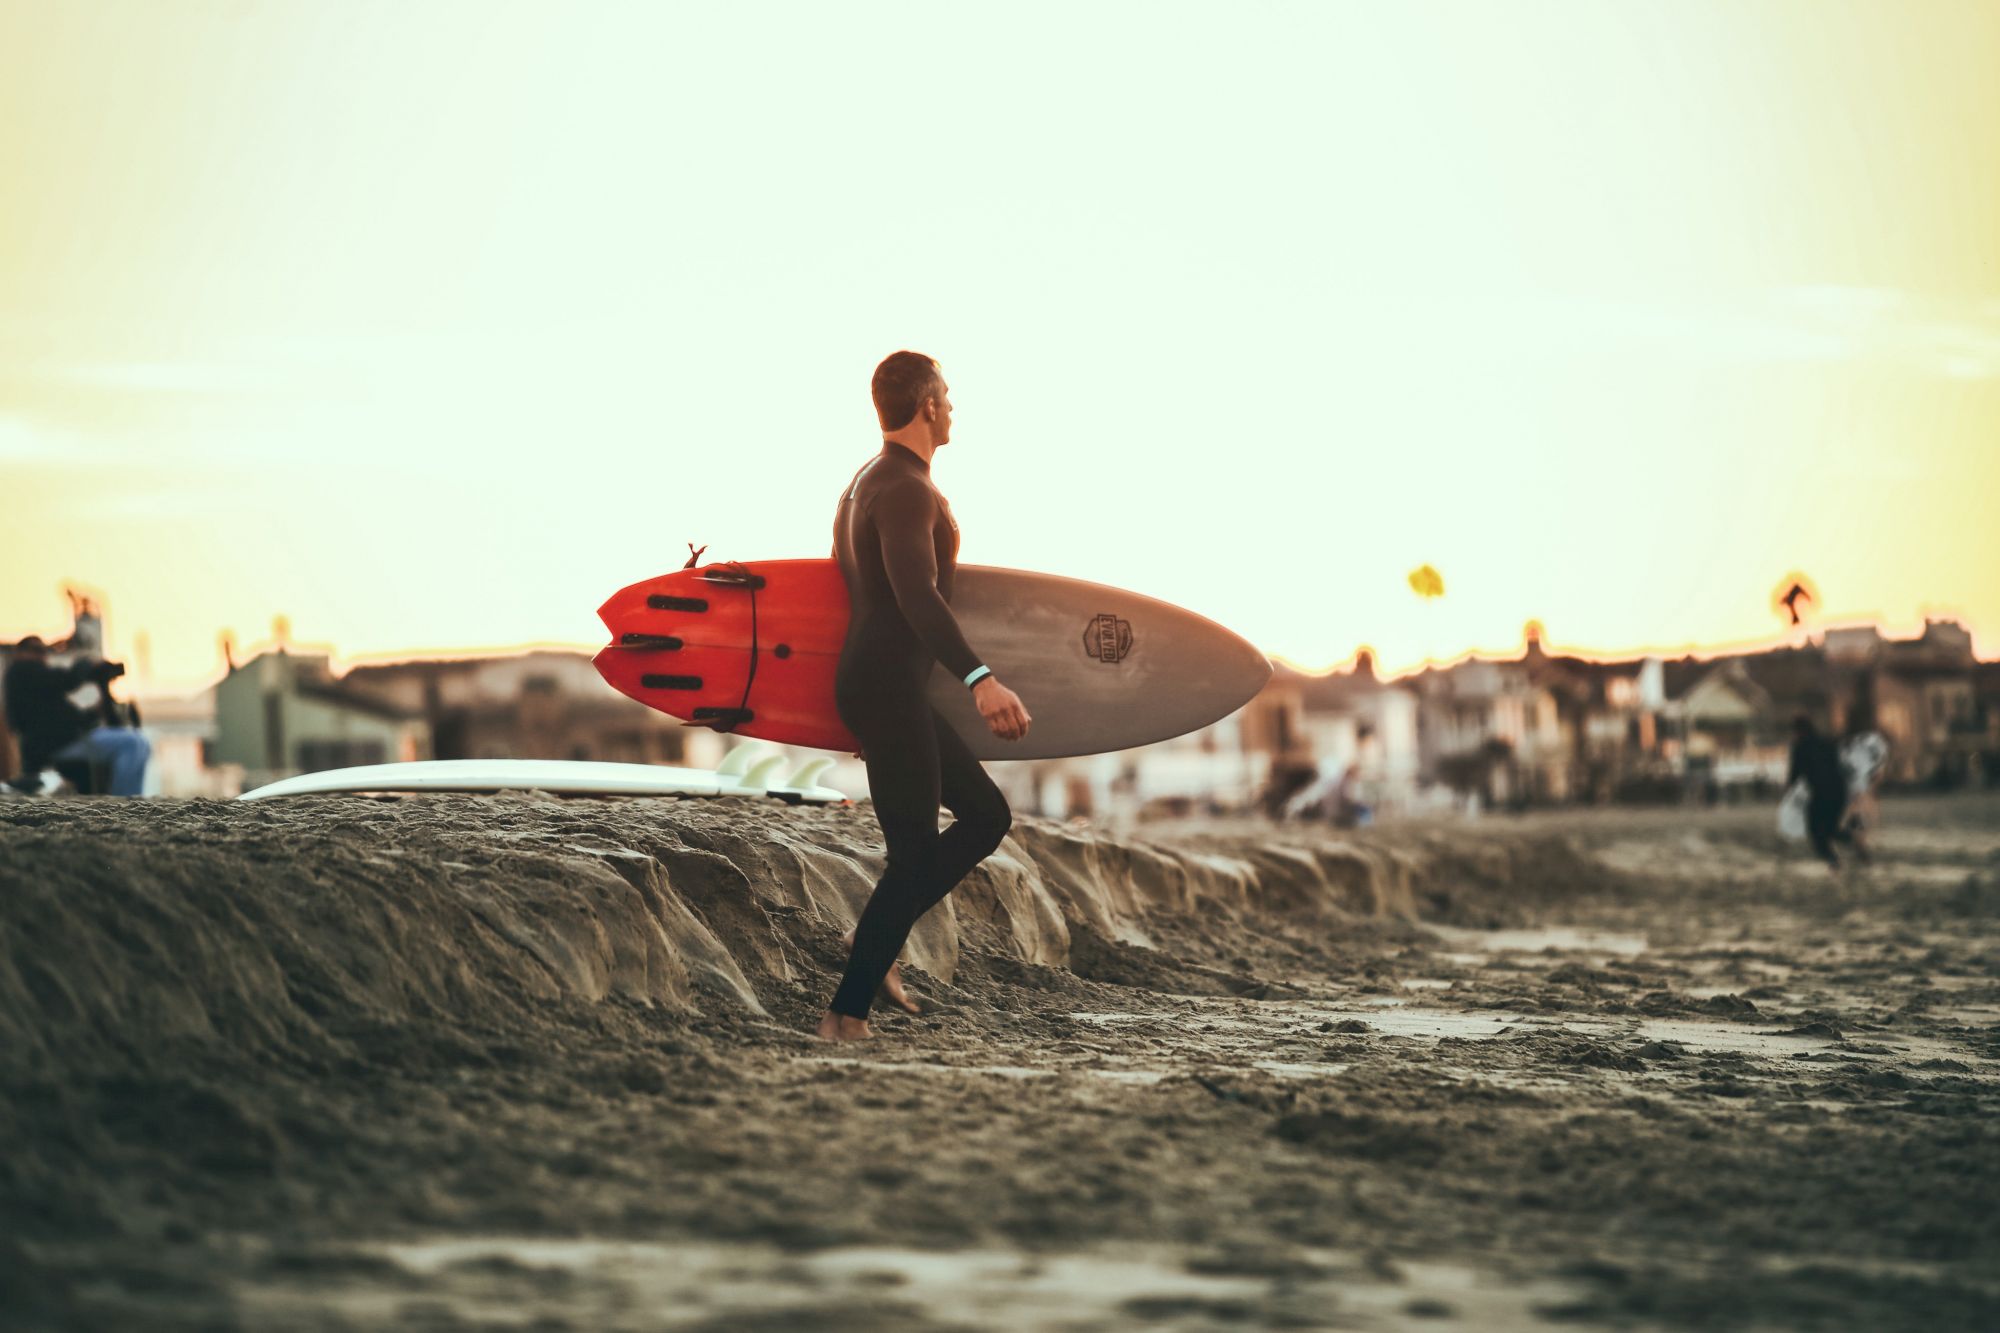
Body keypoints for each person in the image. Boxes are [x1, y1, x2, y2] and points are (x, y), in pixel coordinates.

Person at [816, 352, 1030, 1042]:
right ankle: (846, 1016)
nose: (954, 407)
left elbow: (853, 592)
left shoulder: (864, 484)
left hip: (880, 685)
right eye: (947, 395)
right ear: (927, 405)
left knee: (985, 814)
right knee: (912, 857)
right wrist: (980, 678)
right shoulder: (906, 489)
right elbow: (914, 594)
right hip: (884, 685)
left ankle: (873, 938)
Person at [2, 637, 150, 796]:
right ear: (19, 653)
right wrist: (87, 664)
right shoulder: (20, 671)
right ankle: (125, 800)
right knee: (131, 743)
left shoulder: (37, 688)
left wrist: (93, 712)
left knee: (139, 741)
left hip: (66, 741)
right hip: (56, 745)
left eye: (44, 651)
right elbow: (67, 680)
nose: (42, 656)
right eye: (36, 650)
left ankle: (133, 797)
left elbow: (63, 717)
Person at [1786, 714, 1852, 872]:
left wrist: (1789, 792)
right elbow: (1841, 766)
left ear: (1798, 731)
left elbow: (1794, 775)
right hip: (1839, 791)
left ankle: (1833, 861)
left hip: (1820, 794)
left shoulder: (1800, 747)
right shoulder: (1828, 743)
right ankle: (1848, 839)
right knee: (1830, 828)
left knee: (1816, 831)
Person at [1839, 699, 1890, 857]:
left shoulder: (1848, 742)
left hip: (1855, 785)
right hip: (1862, 785)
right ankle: (1859, 843)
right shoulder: (1872, 741)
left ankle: (1857, 841)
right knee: (1862, 813)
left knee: (1858, 813)